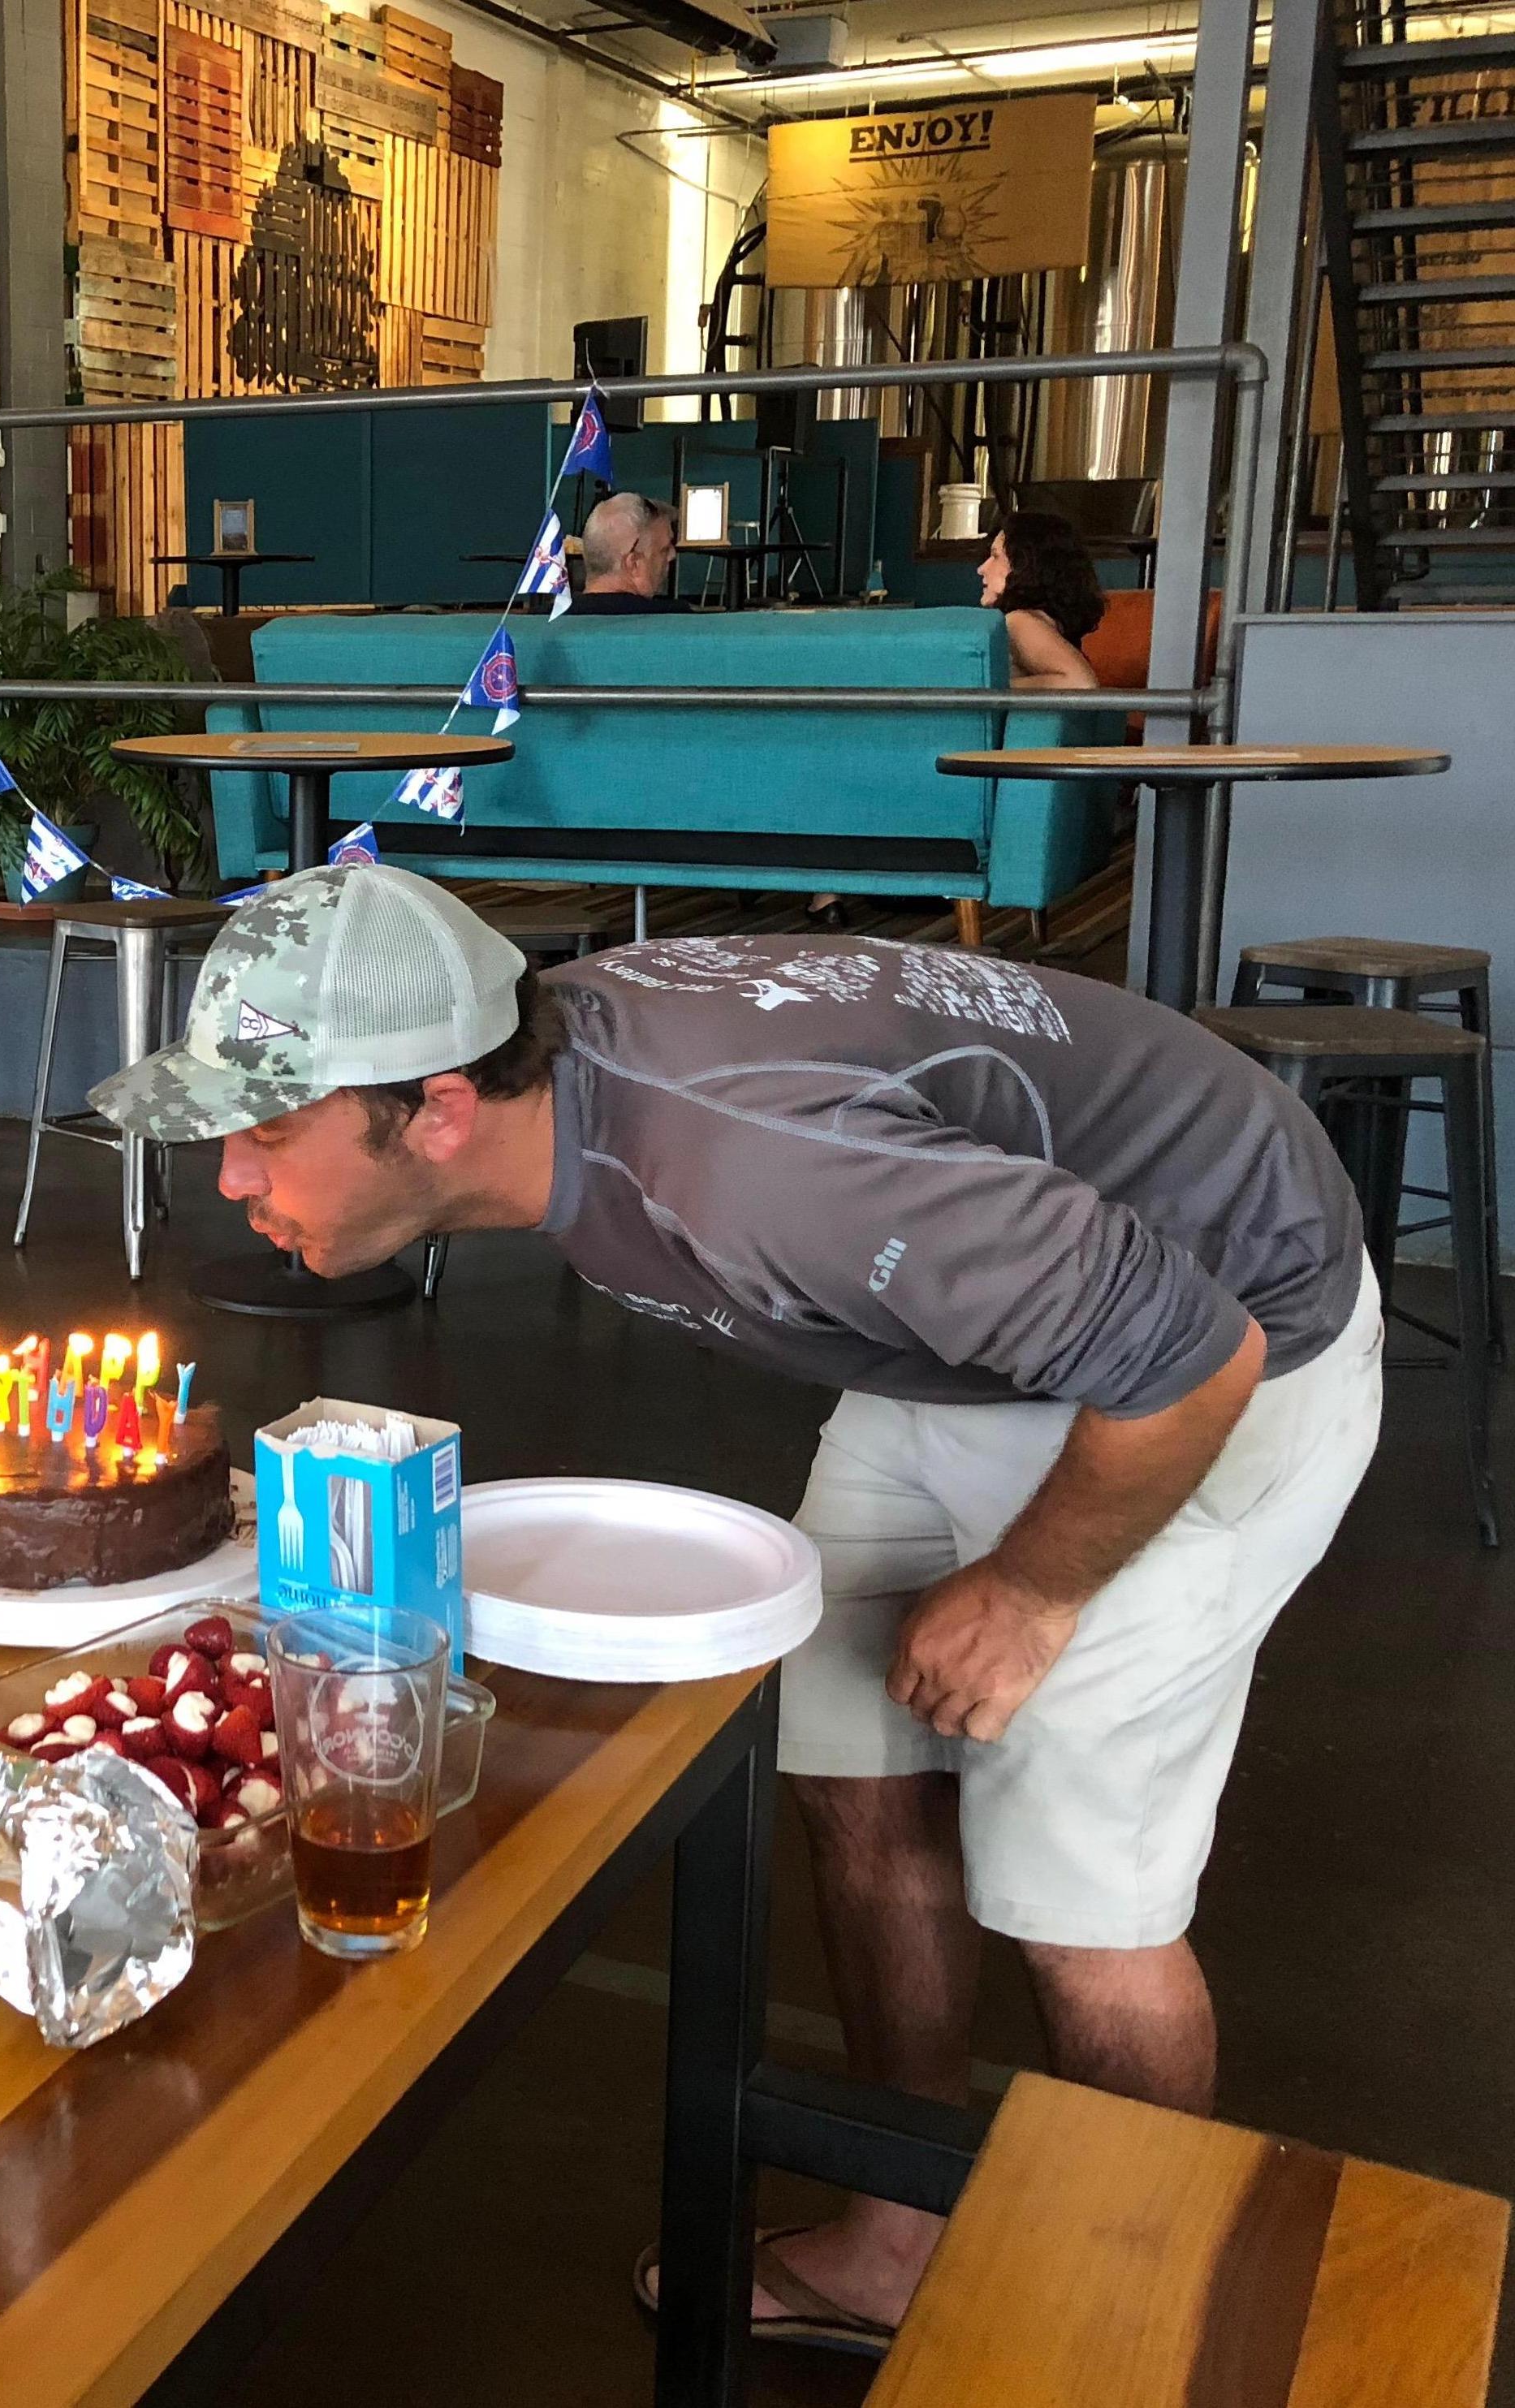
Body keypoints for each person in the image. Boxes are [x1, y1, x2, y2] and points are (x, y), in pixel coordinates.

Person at [91, 865, 1379, 2357]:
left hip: (1209, 1362)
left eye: (265, 1132)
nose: (235, 1181)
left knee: (1081, 1899)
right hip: (996, 1335)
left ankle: (1121, 2316)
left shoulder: (762, 1173)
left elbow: (1183, 1358)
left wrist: (1030, 1594)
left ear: (439, 1107)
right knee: (848, 1759)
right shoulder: (568, 1071)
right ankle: (902, 2239)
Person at [979, 509, 1103, 688]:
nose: (982, 568)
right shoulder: (1043, 621)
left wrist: (987, 689)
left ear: (1025, 565)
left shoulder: (1019, 621)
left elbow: (1082, 684)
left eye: (995, 556)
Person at [568, 493, 682, 614]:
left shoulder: (550, 621)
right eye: (664, 550)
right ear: (634, 564)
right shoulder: (675, 621)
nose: (672, 555)